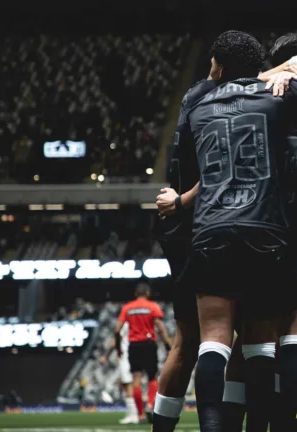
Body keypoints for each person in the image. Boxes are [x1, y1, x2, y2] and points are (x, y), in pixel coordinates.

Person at [176, 30, 297, 432]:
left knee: (213, 341)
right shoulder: (277, 95)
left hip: (210, 226)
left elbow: (203, 93)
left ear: (220, 67)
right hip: (268, 229)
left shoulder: (197, 100)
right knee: (262, 344)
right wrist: (294, 74)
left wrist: (274, 70)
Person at [151, 73, 219, 431]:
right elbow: (220, 170)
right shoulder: (230, 104)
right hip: (206, 225)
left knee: (189, 340)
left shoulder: (195, 96)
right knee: (244, 337)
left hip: (182, 227)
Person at [114, 284, 174, 424]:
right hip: (148, 344)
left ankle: (140, 415)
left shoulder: (127, 308)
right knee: (152, 377)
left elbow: (117, 330)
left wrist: (118, 347)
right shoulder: (152, 306)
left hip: (133, 345)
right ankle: (150, 405)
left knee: (136, 379)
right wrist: (167, 345)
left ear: (135, 293)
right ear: (147, 293)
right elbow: (160, 327)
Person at [99, 322, 137, 424]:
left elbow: (115, 341)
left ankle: (134, 415)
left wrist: (105, 356)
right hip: (135, 355)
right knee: (127, 384)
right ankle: (135, 412)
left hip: (126, 357)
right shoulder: (135, 323)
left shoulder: (125, 324)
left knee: (127, 385)